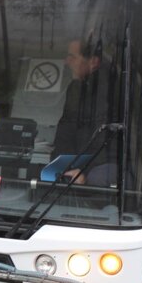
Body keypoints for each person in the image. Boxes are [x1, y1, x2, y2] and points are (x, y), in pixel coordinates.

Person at [52, 37, 116, 184]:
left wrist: (85, 173)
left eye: (72, 57)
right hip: (72, 171)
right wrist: (57, 164)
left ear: (93, 62)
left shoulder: (108, 92)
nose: (67, 62)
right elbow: (66, 131)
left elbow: (105, 143)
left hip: (94, 176)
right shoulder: (76, 88)